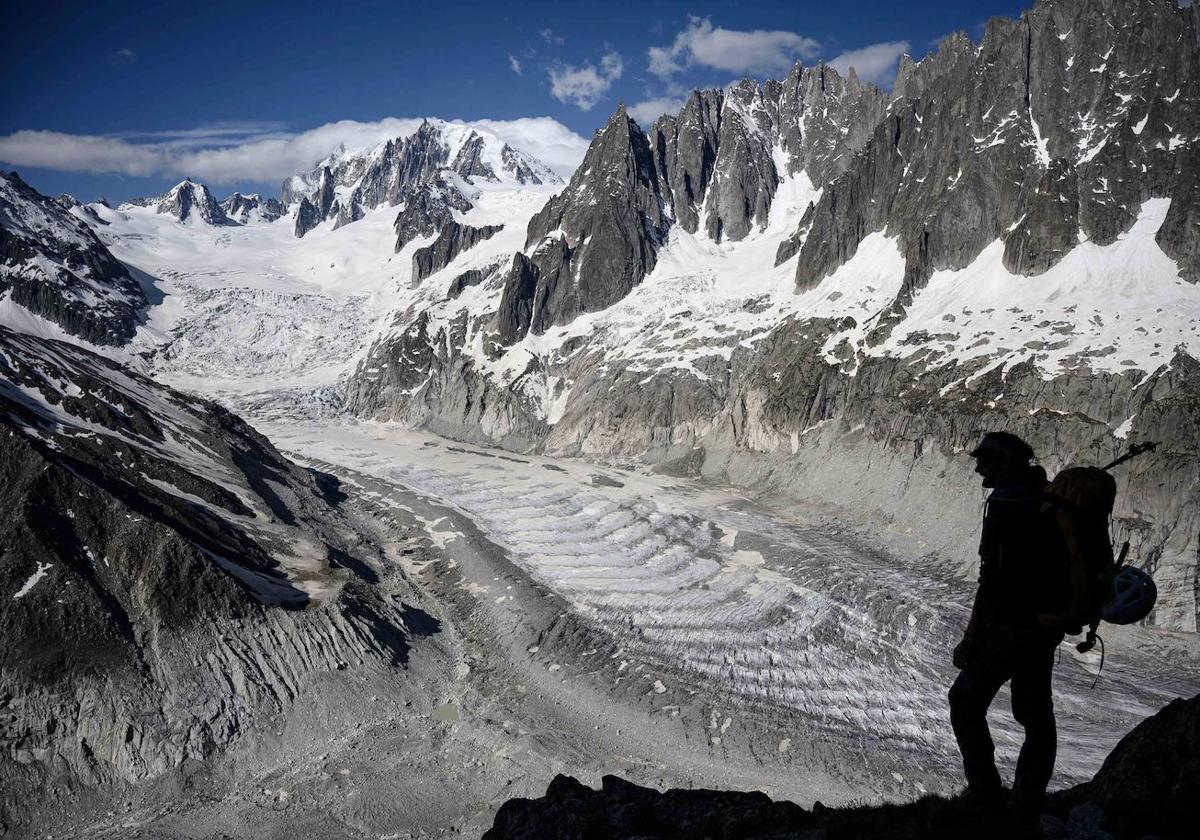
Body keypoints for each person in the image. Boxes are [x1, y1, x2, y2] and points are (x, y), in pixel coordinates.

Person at [949, 431, 1076, 821]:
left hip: (1013, 625)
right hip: (1044, 626)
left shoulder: (1009, 506)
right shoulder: (1047, 501)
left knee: (966, 700)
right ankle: (1027, 802)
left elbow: (992, 583)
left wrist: (971, 640)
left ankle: (987, 799)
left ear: (1006, 464)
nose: (978, 467)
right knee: (1035, 711)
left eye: (985, 460)